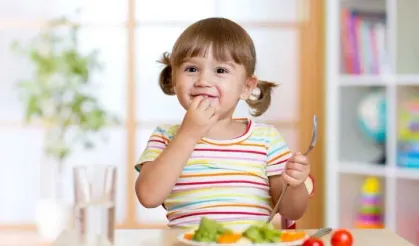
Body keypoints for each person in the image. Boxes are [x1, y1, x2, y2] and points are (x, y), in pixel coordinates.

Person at [134, 17, 312, 231]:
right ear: (174, 79)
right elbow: (148, 196)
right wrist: (189, 134)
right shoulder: (165, 137)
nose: (203, 81)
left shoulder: (266, 139)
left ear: (246, 87)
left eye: (220, 71)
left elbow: (292, 211)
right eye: (191, 69)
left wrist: (295, 184)